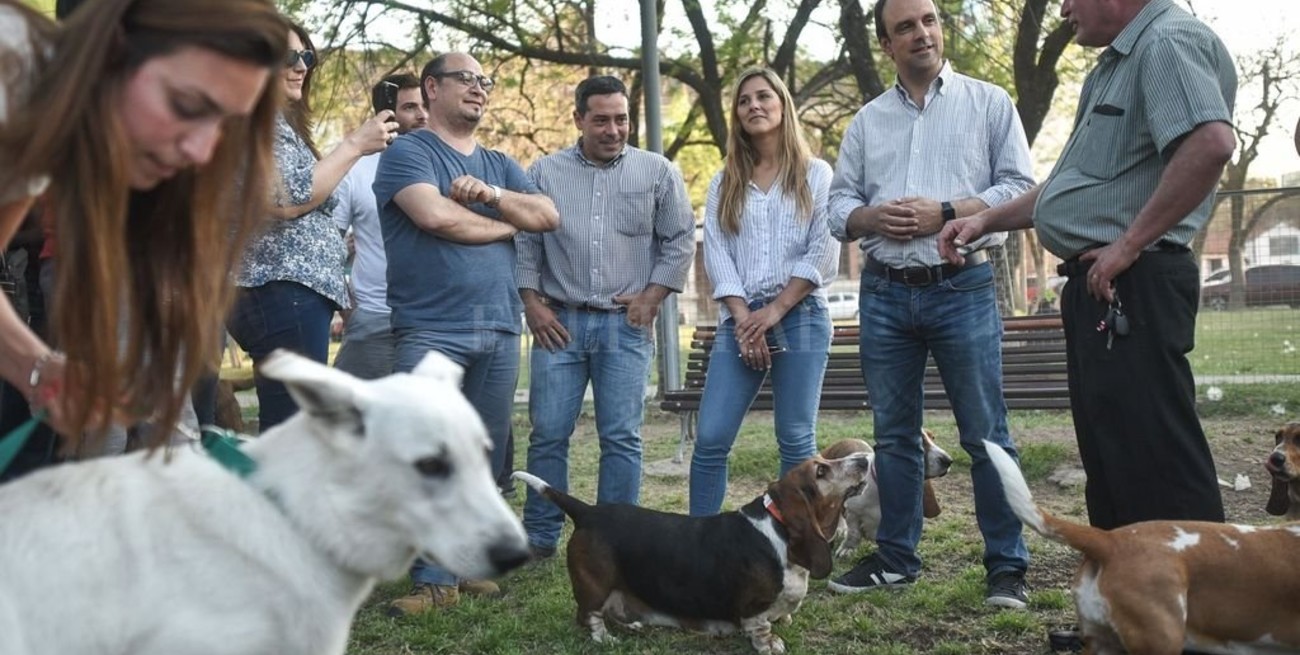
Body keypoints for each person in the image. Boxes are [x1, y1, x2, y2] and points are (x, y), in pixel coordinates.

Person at [939, 0, 1235, 530]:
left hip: (1134, 283)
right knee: (1114, 459)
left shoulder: (1167, 41)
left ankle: (1197, 581)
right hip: (1100, 284)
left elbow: (1211, 144)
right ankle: (1126, 580)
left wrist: (1129, 244)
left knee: (1157, 458)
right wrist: (984, 220)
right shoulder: (1114, 67)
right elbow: (1066, 188)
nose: (1062, 10)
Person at [0, 0, 287, 478]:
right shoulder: (10, 76)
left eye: (222, 124)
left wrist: (36, 369)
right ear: (113, 50)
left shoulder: (45, 132)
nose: (201, 151)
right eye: (187, 105)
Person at [826, 0, 1036, 607]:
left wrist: (943, 211)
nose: (921, 33)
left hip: (962, 287)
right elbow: (838, 209)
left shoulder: (989, 103)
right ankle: (896, 560)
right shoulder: (867, 122)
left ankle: (1007, 568)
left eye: (929, 20)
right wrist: (872, 217)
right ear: (886, 45)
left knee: (986, 435)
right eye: (905, 27)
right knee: (893, 438)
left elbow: (1020, 189)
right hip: (885, 292)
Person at [373, 52, 558, 615]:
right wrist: (508, 226)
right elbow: (436, 217)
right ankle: (433, 581)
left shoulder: (498, 163)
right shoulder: (409, 152)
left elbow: (547, 215)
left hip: (498, 326)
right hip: (432, 326)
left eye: (485, 81)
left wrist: (496, 198)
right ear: (432, 88)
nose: (480, 88)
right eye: (467, 79)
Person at [517, 75, 695, 556]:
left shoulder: (658, 172)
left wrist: (653, 296)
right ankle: (540, 536)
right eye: (601, 120)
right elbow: (526, 243)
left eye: (621, 119)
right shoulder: (544, 174)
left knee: (620, 437)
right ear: (578, 119)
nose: (613, 130)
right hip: (559, 324)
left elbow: (680, 240)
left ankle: (616, 541)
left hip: (625, 325)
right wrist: (531, 303)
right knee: (548, 434)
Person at [226, 21, 396, 433]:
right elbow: (286, 199)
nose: (302, 66)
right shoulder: (252, 121)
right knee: (295, 427)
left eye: (307, 56)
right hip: (281, 292)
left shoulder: (275, 125)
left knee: (293, 423)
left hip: (288, 295)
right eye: (289, 57)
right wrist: (354, 145)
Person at [687, 68, 838, 516]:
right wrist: (744, 319)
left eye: (763, 96)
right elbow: (717, 254)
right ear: (736, 115)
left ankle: (796, 544)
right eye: (744, 100)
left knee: (795, 437)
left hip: (801, 313)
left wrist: (773, 312)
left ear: (782, 104)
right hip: (741, 320)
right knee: (711, 437)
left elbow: (823, 250)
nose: (754, 105)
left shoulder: (816, 174)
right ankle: (697, 540)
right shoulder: (725, 182)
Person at [332, 73, 428, 380]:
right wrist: (350, 310)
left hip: (441, 320)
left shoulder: (449, 162)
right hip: (375, 317)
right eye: (410, 107)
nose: (422, 114)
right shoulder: (355, 169)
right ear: (386, 115)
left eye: (426, 105)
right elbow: (328, 244)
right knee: (349, 408)